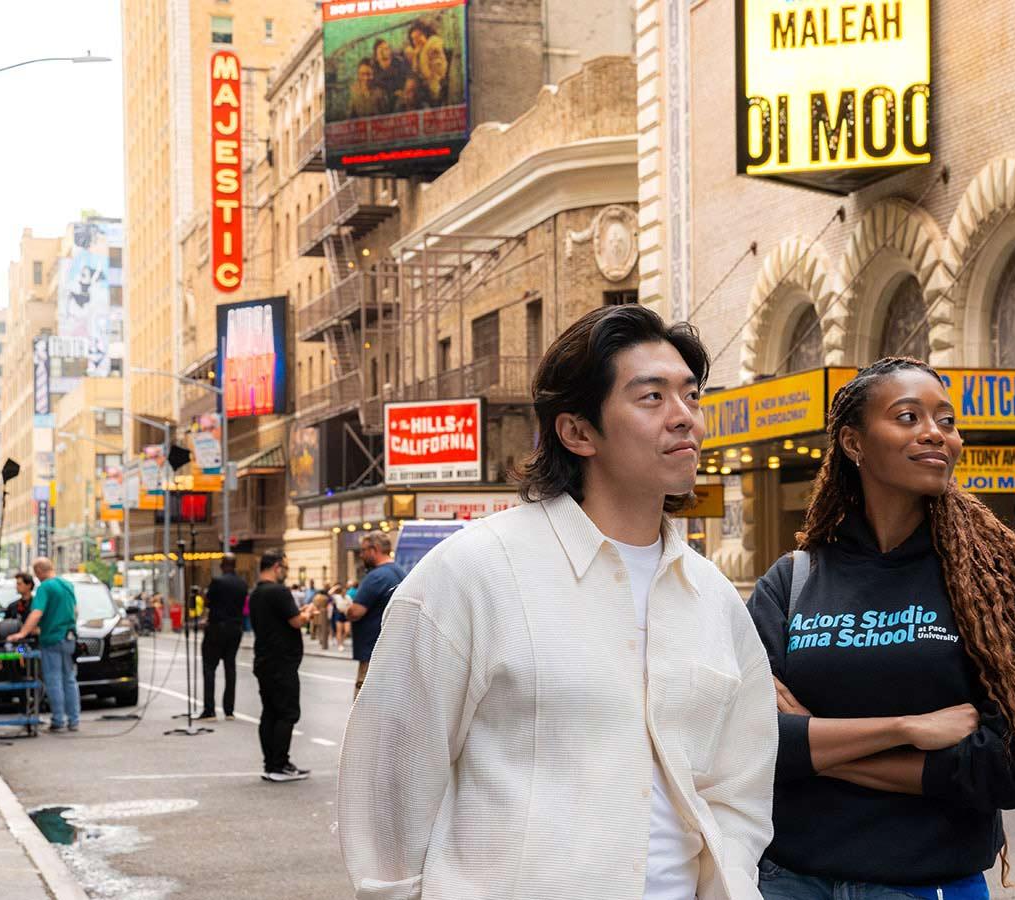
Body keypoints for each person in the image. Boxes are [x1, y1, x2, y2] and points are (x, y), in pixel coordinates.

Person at [339, 305, 776, 898]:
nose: (686, 420)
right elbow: (390, 783)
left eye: (691, 397)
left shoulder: (715, 598)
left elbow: (740, 780)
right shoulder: (473, 573)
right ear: (577, 431)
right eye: (652, 398)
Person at [746, 358, 1015, 899]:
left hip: (928, 886)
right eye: (908, 417)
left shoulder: (997, 586)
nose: (935, 433)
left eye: (946, 421)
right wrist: (906, 729)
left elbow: (1014, 767)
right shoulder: (793, 582)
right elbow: (749, 742)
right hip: (790, 882)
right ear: (854, 443)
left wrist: (819, 744)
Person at [250, 549, 312, 783]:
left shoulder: (256, 593)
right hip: (282, 661)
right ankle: (279, 764)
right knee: (287, 712)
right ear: (277, 566)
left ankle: (271, 764)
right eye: (284, 568)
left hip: (264, 659)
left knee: (270, 713)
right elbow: (295, 621)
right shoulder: (279, 591)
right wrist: (308, 614)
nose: (285, 572)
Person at [7, 559, 81, 733]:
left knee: (53, 679)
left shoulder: (45, 588)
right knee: (69, 678)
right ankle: (74, 719)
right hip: (68, 636)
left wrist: (22, 633)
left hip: (51, 638)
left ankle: (58, 720)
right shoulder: (67, 585)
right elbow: (75, 611)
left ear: (39, 571)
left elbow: (37, 613)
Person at [344, 532, 406, 697]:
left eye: (364, 550)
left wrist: (346, 609)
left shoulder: (376, 577)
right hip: (394, 650)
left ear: (375, 549)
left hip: (372, 651)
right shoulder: (401, 572)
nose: (361, 555)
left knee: (363, 705)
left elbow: (356, 612)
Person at [201, 555, 248, 721]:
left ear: (222, 565)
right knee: (230, 667)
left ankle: (210, 710)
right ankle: (229, 710)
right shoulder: (242, 584)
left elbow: (208, 602)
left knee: (209, 667)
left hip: (217, 627)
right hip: (235, 628)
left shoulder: (217, 582)